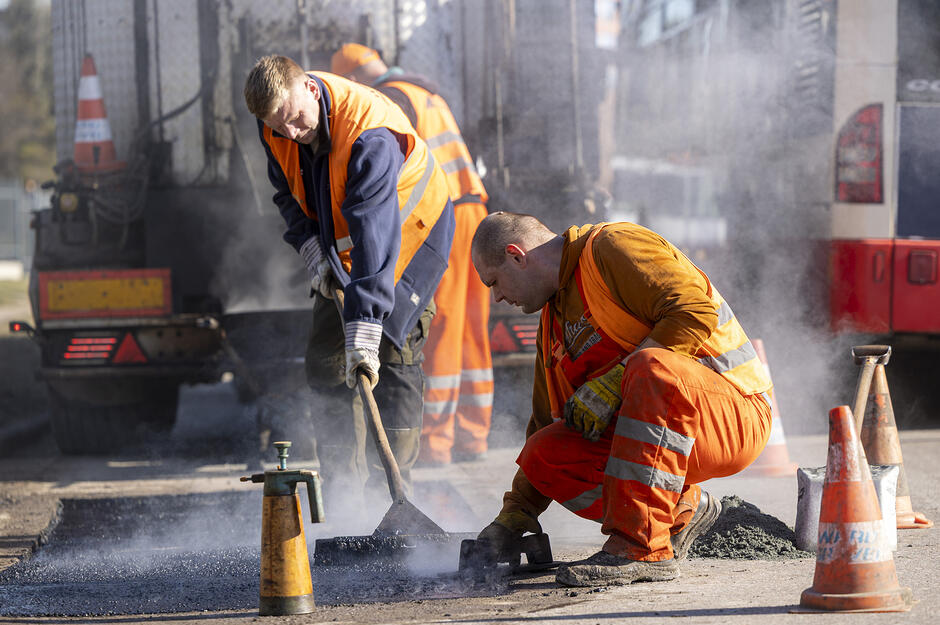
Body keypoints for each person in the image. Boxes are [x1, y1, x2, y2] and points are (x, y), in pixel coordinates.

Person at [469, 212, 773, 587]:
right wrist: (515, 514)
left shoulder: (610, 248)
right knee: (544, 451)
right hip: (675, 438)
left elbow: (695, 311)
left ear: (517, 255)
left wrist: (616, 379)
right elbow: (544, 424)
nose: (497, 297)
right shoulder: (552, 328)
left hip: (733, 414)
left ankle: (641, 548)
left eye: (494, 282)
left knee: (650, 367)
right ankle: (678, 513)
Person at [243, 55, 455, 506]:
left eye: (296, 119)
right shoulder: (276, 126)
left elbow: (374, 237)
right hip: (349, 245)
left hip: (407, 238)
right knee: (326, 360)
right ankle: (343, 497)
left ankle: (392, 500)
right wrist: (311, 249)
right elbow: (286, 194)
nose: (292, 133)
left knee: (392, 354)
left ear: (311, 90)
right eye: (279, 127)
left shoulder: (369, 135)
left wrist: (366, 324)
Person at [331, 43, 494, 466]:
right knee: (471, 330)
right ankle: (473, 434)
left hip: (444, 216)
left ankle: (436, 443)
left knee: (438, 327)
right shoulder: (424, 91)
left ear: (353, 81)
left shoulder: (391, 99)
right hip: (472, 209)